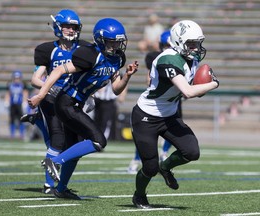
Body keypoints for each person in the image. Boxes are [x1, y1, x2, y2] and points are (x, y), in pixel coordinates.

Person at [28, 18, 138, 197]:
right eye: (112, 41)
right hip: (66, 102)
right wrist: (41, 95)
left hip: (77, 104)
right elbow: (57, 71)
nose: (116, 45)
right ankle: (54, 162)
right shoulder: (89, 54)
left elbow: (116, 89)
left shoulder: (117, 58)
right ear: (101, 39)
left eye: (118, 41)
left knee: (75, 149)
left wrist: (127, 76)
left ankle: (61, 189)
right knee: (98, 141)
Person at [130, 20, 220, 209]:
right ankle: (139, 196)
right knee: (150, 167)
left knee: (192, 152)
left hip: (169, 115)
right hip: (146, 116)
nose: (195, 48)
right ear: (178, 42)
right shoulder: (168, 59)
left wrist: (203, 86)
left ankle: (166, 167)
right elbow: (187, 92)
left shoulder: (192, 60)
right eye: (191, 43)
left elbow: (195, 91)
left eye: (197, 43)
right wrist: (213, 83)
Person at [22, 9, 91, 198]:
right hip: (51, 97)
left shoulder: (85, 48)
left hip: (73, 99)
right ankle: (48, 184)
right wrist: (50, 88)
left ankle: (38, 122)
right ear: (58, 27)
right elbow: (36, 79)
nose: (70, 30)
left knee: (74, 144)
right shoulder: (46, 49)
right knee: (58, 139)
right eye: (67, 26)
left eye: (73, 27)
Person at [128, 30, 179, 173]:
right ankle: (137, 159)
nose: (169, 48)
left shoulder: (181, 58)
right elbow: (148, 80)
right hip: (156, 103)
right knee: (146, 137)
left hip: (173, 102)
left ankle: (164, 153)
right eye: (166, 45)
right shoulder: (155, 57)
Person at [4, 70, 28, 139]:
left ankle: (22, 134)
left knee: (21, 119)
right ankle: (12, 134)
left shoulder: (23, 85)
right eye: (15, 78)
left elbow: (25, 93)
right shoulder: (10, 84)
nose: (16, 79)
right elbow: (8, 94)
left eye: (18, 78)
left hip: (20, 104)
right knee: (12, 119)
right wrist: (6, 102)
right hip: (12, 104)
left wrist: (25, 102)